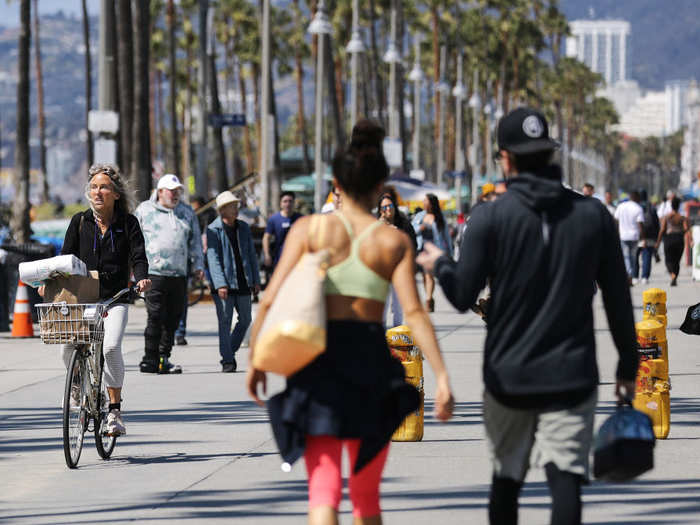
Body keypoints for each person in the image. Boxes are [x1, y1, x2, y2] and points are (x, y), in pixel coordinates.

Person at [417, 107, 637, 525]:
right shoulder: (592, 216)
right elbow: (617, 299)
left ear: (506, 158)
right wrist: (629, 362)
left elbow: (464, 295)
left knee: (507, 478)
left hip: (508, 375)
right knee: (567, 478)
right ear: (550, 153)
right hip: (571, 374)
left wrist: (441, 264)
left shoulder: (489, 217)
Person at [246, 119, 454, 524]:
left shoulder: (310, 228)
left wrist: (257, 358)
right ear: (381, 188)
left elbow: (271, 297)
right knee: (366, 498)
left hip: (318, 365)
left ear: (336, 183)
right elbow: (413, 312)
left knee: (322, 492)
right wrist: (442, 375)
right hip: (372, 366)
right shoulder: (392, 240)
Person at [55, 163, 151, 436]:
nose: (98, 192)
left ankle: (114, 411)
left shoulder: (128, 223)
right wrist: (50, 283)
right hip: (83, 297)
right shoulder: (80, 221)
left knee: (110, 348)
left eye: (104, 187)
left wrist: (141, 277)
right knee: (67, 347)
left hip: (115, 298)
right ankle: (77, 384)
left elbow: (138, 256)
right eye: (94, 187)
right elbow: (66, 258)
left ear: (116, 194)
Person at [134, 174, 204, 374]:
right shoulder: (144, 211)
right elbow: (134, 241)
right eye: (171, 191)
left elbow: (196, 241)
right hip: (153, 273)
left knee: (173, 318)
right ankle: (149, 358)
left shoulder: (187, 212)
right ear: (160, 191)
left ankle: (164, 357)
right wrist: (133, 269)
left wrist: (199, 265)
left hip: (179, 273)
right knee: (155, 316)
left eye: (178, 191)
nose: (175, 195)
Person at [206, 191, 261, 372]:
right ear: (222, 210)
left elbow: (252, 255)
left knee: (245, 320)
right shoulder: (213, 230)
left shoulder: (244, 227)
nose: (236, 209)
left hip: (243, 281)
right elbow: (213, 259)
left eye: (236, 205)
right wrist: (220, 283)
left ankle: (229, 349)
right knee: (225, 321)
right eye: (232, 206)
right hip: (224, 285)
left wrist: (255, 279)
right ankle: (228, 360)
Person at [174, 195, 218, 346]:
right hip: (164, 266)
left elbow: (196, 242)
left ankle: (179, 332)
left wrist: (197, 265)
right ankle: (169, 332)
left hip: (184, 263)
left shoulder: (196, 215)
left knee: (182, 298)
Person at [377, 190, 417, 327]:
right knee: (383, 305)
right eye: (384, 207)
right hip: (382, 272)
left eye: (390, 206)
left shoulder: (404, 224)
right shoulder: (376, 225)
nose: (388, 209)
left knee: (399, 307)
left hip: (400, 271)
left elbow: (413, 245)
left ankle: (398, 340)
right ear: (380, 210)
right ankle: (380, 339)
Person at [412, 193, 452, 312]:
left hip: (434, 249)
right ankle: (429, 297)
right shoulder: (419, 216)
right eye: (423, 200)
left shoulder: (440, 217)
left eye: (426, 200)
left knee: (429, 274)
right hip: (421, 249)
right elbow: (412, 230)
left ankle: (429, 299)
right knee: (425, 276)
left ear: (431, 203)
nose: (424, 202)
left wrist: (449, 251)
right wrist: (420, 228)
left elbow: (446, 236)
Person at [263, 191, 303, 270]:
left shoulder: (300, 219)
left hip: (297, 259)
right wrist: (267, 255)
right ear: (280, 204)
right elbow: (266, 237)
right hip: (279, 259)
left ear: (294, 203)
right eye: (285, 201)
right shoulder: (274, 219)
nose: (288, 204)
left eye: (290, 201)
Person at [655, 196, 689, 286]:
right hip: (679, 239)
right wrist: (690, 239)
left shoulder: (666, 217)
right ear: (678, 206)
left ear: (671, 206)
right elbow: (686, 229)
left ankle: (673, 275)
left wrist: (658, 243)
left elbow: (662, 230)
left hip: (669, 239)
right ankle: (675, 276)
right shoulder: (682, 218)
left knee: (668, 260)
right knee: (677, 261)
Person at [614, 190, 644, 285]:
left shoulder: (621, 206)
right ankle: (630, 275)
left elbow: (616, 220)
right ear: (636, 198)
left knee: (626, 256)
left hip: (623, 236)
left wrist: (616, 232)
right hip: (634, 236)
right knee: (633, 257)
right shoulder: (638, 208)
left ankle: (628, 275)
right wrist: (643, 238)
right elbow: (640, 224)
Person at [636, 189, 660, 285]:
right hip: (649, 236)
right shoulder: (651, 207)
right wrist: (656, 237)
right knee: (647, 256)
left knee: (635, 256)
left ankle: (634, 276)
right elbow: (656, 223)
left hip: (637, 235)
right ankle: (645, 277)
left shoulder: (636, 206)